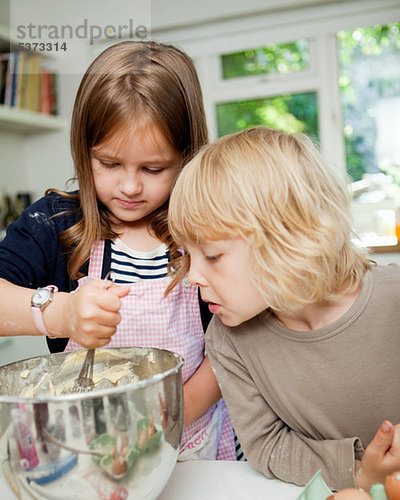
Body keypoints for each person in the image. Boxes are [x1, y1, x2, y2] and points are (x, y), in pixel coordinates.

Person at [0, 41, 237, 461]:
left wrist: (161, 424)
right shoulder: (56, 224)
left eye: (153, 168)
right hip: (92, 450)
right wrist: (62, 314)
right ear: (83, 149)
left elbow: (235, 346)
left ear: (187, 156)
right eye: (109, 163)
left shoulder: (207, 225)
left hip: (193, 441)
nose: (129, 187)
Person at [167, 125, 400, 490]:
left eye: (212, 255)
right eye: (185, 255)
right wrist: (359, 474)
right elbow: (269, 445)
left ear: (286, 239)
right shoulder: (229, 340)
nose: (192, 276)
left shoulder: (394, 298)